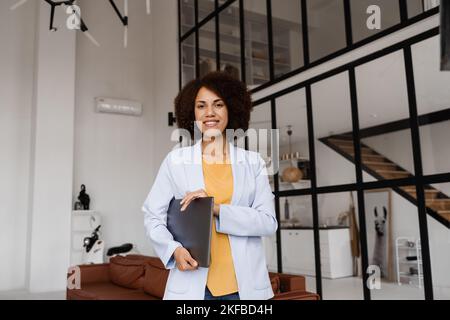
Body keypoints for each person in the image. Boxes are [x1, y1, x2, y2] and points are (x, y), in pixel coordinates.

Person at [142, 71, 277, 300]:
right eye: (201, 106)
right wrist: (173, 250)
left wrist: (214, 208)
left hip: (243, 287)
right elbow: (152, 216)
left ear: (231, 109)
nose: (209, 113)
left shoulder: (252, 162)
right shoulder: (176, 161)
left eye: (218, 104)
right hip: (192, 286)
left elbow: (267, 222)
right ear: (192, 113)